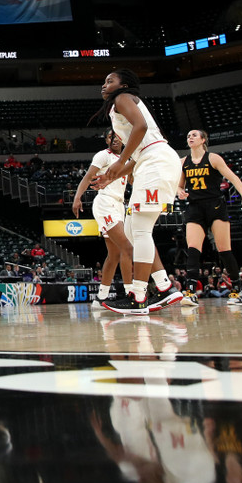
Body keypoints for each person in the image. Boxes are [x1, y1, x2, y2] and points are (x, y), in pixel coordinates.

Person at [91, 69, 183, 314]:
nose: (104, 84)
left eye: (110, 80)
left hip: (155, 162)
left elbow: (141, 127)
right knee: (133, 231)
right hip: (149, 161)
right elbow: (137, 154)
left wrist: (119, 161)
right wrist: (110, 176)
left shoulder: (122, 98)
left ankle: (139, 296)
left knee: (140, 230)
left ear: (124, 85)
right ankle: (164, 286)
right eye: (104, 80)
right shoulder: (120, 105)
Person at [177, 129, 242, 307]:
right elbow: (179, 185)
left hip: (215, 205)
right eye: (188, 135)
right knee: (193, 249)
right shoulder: (183, 162)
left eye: (194, 135)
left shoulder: (213, 158)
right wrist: (179, 191)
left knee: (224, 250)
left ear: (203, 140)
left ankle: (236, 291)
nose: (190, 137)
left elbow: (234, 178)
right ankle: (190, 292)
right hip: (195, 207)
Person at [73, 130, 134, 308]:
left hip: (119, 205)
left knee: (114, 254)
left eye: (117, 136)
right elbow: (87, 176)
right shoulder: (103, 155)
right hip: (105, 203)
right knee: (127, 248)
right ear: (107, 140)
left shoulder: (127, 160)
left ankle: (101, 298)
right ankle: (131, 293)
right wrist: (78, 197)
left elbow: (131, 180)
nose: (114, 139)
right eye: (110, 137)